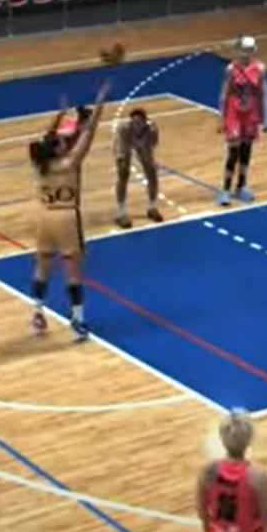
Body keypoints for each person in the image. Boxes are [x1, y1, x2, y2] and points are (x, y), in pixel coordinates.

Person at [27, 81, 110, 341]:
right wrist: (100, 103)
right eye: (62, 141)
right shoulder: (70, 163)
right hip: (65, 217)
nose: (66, 141)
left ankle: (37, 313)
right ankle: (78, 320)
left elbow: (46, 138)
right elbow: (89, 133)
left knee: (42, 270)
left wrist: (60, 114)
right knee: (73, 273)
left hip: (44, 216)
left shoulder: (40, 164)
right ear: (58, 149)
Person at [196, 410, 267, 532]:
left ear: (222, 438)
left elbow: (202, 512)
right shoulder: (257, 475)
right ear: (249, 440)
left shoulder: (208, 472)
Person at [217, 36, 267, 205]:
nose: (245, 53)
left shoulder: (260, 69)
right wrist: (221, 118)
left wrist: (266, 119)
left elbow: (265, 93)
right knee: (233, 150)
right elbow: (224, 94)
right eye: (242, 50)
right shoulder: (231, 69)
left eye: (248, 50)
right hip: (234, 112)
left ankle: (241, 185)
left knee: (246, 150)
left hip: (251, 113)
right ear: (238, 50)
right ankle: (225, 189)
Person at [113, 107, 162, 229]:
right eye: (134, 121)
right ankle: (120, 213)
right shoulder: (124, 129)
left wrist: (147, 143)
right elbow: (121, 150)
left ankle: (152, 207)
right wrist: (122, 160)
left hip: (143, 142)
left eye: (139, 122)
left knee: (152, 172)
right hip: (125, 141)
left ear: (145, 121)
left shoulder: (151, 129)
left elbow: (153, 145)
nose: (136, 124)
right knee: (123, 173)